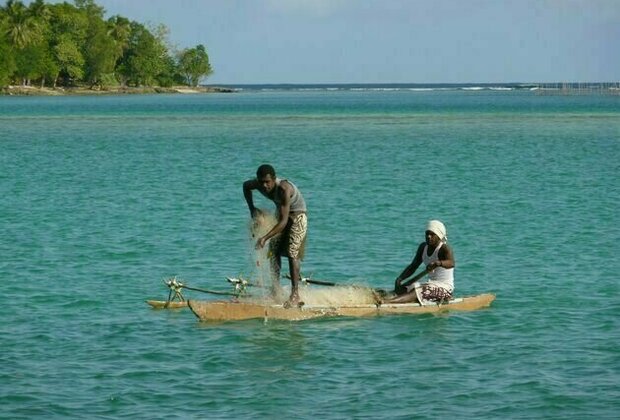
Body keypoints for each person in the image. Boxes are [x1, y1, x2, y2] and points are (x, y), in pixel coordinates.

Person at [243, 164, 308, 307]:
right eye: (262, 182)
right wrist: (252, 209)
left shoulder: (284, 188)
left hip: (297, 215)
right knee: (273, 251)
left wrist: (264, 237)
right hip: (282, 214)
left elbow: (284, 222)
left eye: (268, 182)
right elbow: (245, 186)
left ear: (273, 179)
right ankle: (275, 290)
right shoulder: (257, 184)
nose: (265, 186)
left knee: (292, 252)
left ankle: (295, 294)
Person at [386, 220, 455, 304]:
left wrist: (438, 263)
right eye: (427, 234)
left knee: (417, 292)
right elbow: (413, 266)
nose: (429, 236)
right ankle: (381, 298)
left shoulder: (444, 248)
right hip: (431, 284)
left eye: (432, 234)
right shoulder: (423, 247)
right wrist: (399, 279)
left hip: (445, 289)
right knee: (402, 289)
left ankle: (385, 302)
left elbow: (451, 263)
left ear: (439, 236)